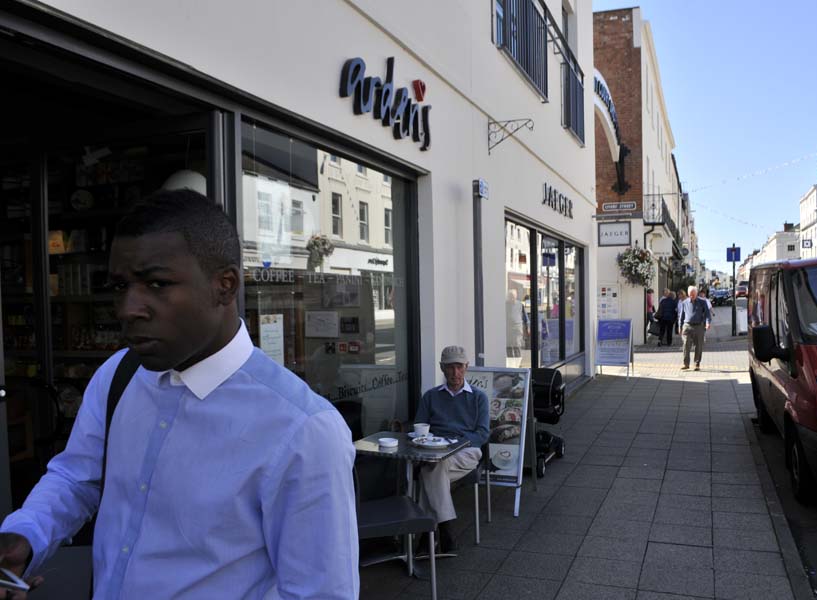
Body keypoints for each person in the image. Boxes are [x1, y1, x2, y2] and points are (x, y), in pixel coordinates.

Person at [0, 190, 359, 599]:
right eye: (120, 286)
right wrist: (25, 534)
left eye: (157, 283)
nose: (128, 308)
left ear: (224, 286)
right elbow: (76, 478)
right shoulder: (118, 374)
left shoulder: (302, 429)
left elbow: (318, 592)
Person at [414, 346, 489, 554]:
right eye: (450, 367)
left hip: (467, 451)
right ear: (441, 368)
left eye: (459, 367)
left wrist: (454, 445)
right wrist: (432, 442)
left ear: (466, 367)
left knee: (430, 470)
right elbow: (419, 427)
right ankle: (442, 532)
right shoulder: (430, 396)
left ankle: (428, 533)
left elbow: (482, 434)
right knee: (435, 468)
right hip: (435, 452)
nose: (455, 373)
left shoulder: (478, 398)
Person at [680, 285, 712, 371]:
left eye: (693, 294)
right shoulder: (684, 302)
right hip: (687, 326)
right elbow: (681, 316)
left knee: (698, 345)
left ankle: (696, 364)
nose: (692, 296)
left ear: (696, 293)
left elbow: (707, 314)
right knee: (686, 344)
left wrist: (708, 323)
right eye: (690, 294)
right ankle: (686, 364)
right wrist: (679, 326)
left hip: (699, 326)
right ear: (688, 293)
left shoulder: (702, 302)